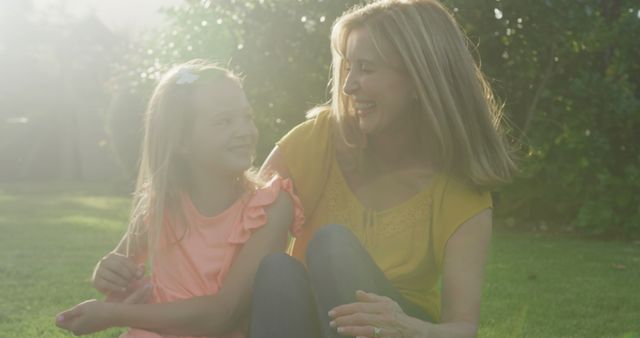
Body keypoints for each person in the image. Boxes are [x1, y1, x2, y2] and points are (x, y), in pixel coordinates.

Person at [249, 0, 517, 337]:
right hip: (306, 324)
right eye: (348, 67)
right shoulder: (316, 141)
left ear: (420, 79)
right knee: (277, 270)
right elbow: (240, 227)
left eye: (366, 68)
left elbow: (463, 327)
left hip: (400, 329)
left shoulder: (460, 186)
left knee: (332, 245)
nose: (348, 86)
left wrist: (406, 327)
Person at [55, 59, 304, 337]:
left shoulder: (270, 206)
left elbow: (224, 313)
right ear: (182, 141)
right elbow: (117, 268)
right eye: (224, 121)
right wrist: (105, 271)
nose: (244, 131)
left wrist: (113, 314)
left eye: (247, 117)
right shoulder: (160, 203)